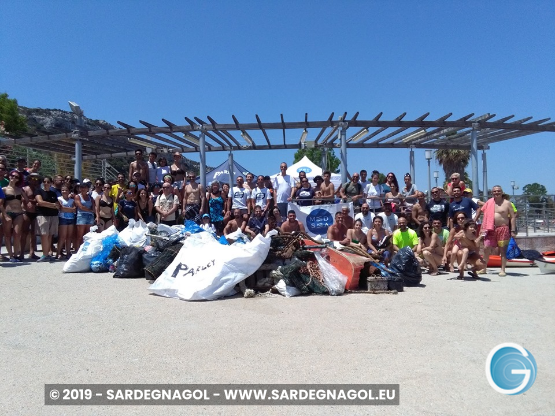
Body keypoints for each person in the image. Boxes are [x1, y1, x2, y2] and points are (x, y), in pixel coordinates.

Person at [479, 185, 517, 277]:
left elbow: (513, 217)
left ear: (502, 192)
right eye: (495, 191)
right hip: (490, 228)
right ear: (492, 193)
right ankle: (484, 268)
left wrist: (513, 230)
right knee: (486, 248)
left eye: (498, 191)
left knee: (502, 250)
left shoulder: (507, 203)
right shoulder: (489, 202)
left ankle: (503, 270)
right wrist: (482, 229)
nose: (496, 192)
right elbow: (485, 216)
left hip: (503, 228)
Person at [2, 170, 28, 262]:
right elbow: (1, 204)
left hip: (19, 213)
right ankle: (11, 256)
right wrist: (4, 214)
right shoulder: (4, 189)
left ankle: (16, 255)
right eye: (12, 176)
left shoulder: (20, 190)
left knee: (17, 234)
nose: (14, 178)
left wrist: (24, 208)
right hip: (7, 213)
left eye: (16, 177)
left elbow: (27, 200)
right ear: (9, 176)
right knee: (7, 235)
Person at [35, 176, 60, 262]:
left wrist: (48, 204)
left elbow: (58, 205)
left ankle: (48, 254)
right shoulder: (39, 191)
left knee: (50, 235)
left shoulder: (53, 193)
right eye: (44, 182)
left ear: (51, 183)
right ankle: (44, 254)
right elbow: (40, 202)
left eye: (48, 182)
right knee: (44, 235)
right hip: (43, 215)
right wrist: (52, 205)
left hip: (53, 216)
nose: (46, 183)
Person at [21, 173, 40, 260]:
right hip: (26, 212)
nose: (34, 180)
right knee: (24, 232)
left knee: (33, 233)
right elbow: (23, 200)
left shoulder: (38, 189)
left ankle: (32, 252)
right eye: (33, 178)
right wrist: (34, 201)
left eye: (36, 179)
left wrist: (32, 201)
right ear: (29, 179)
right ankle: (21, 253)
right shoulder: (25, 189)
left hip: (35, 212)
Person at [56, 185, 76, 259]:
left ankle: (68, 252)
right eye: (63, 190)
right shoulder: (59, 199)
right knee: (62, 236)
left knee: (69, 237)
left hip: (71, 219)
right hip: (62, 218)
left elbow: (74, 209)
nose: (64, 192)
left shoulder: (72, 200)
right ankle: (58, 252)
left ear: (69, 191)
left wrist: (67, 209)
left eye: (66, 190)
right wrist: (70, 209)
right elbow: (61, 208)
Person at [74, 183, 95, 247]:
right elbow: (81, 207)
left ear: (87, 189)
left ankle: (85, 250)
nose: (83, 189)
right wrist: (91, 210)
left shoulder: (90, 197)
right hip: (81, 216)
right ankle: (78, 250)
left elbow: (94, 205)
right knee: (80, 235)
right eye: (81, 187)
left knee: (87, 235)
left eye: (85, 187)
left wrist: (93, 211)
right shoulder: (77, 196)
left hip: (90, 217)